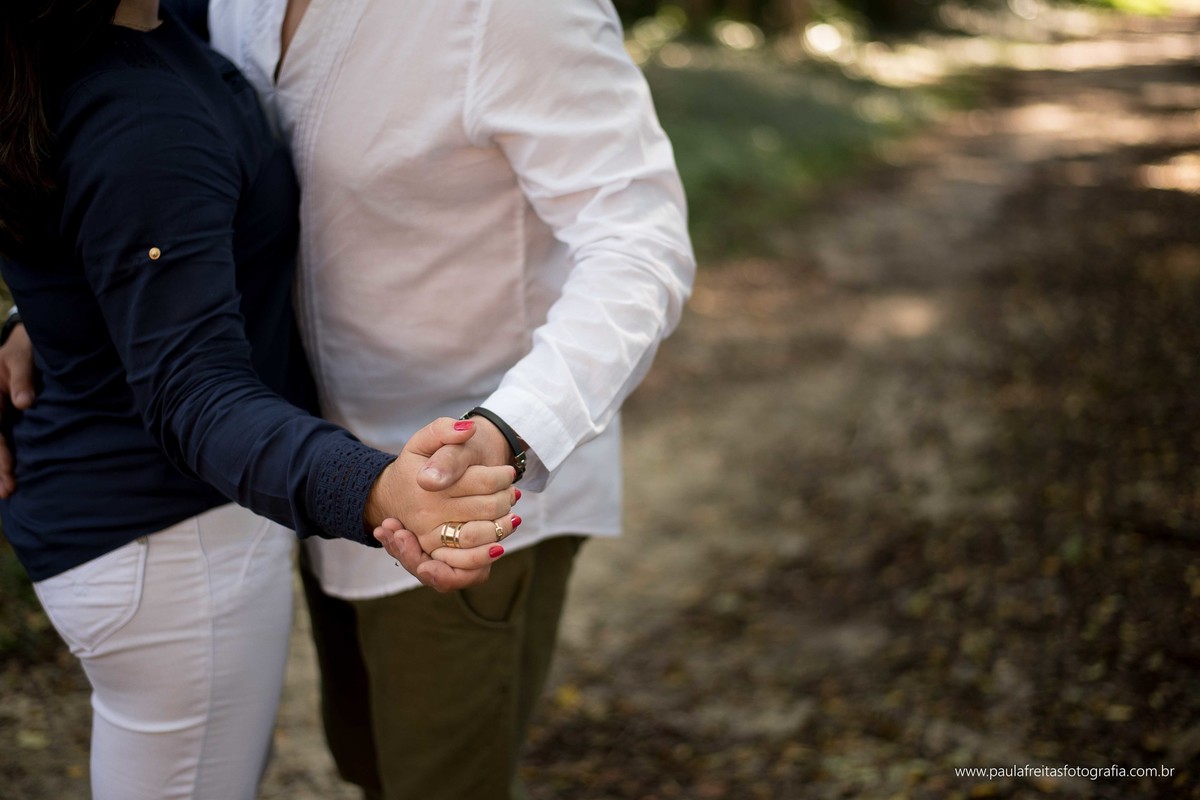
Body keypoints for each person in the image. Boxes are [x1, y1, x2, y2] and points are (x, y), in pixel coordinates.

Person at [0, 1, 517, 797]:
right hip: (168, 551)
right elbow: (192, 391)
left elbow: (99, 240)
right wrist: (379, 488)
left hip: (132, 524)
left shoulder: (146, 26)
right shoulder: (141, 114)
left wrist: (42, 315)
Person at [199, 0, 697, 797]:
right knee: (363, 759)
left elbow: (639, 244)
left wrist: (506, 429)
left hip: (463, 491)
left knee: (435, 780)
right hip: (314, 474)